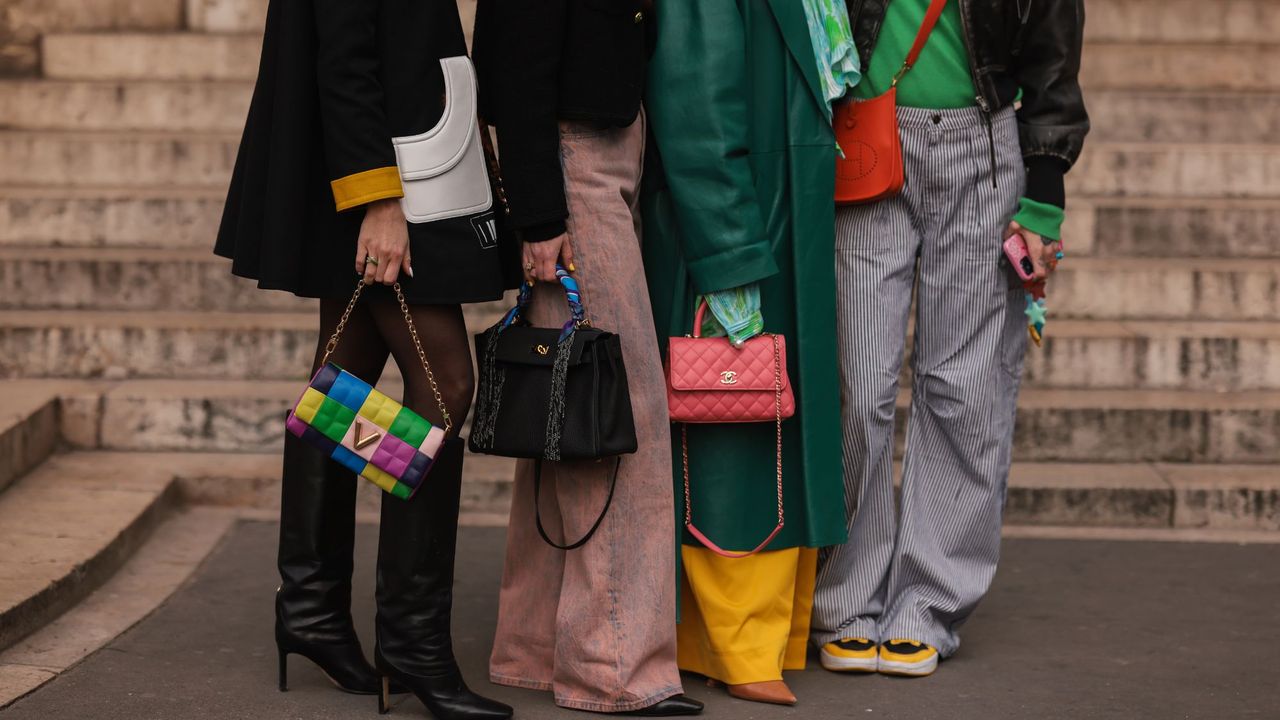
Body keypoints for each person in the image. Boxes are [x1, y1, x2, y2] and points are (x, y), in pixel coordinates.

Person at [215, 1, 518, 718]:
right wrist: (379, 201)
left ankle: (313, 608)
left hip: (379, 165)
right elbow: (344, 56)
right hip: (382, 179)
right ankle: (411, 641)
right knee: (445, 386)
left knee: (342, 389)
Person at [812, 0, 1089, 678]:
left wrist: (1044, 197)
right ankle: (846, 599)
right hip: (866, 136)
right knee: (856, 382)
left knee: (963, 388)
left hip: (983, 145)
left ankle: (927, 605)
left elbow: (1053, 54)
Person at [472, 1, 701, 715]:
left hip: (601, 150)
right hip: (574, 170)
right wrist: (540, 218)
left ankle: (537, 646)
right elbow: (516, 58)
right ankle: (615, 663)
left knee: (565, 410)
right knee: (622, 407)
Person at [640, 0, 850, 706]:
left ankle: (760, 636)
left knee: (774, 432)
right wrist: (728, 256)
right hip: (740, 227)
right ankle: (735, 642)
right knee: (737, 440)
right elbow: (694, 109)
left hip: (785, 223)